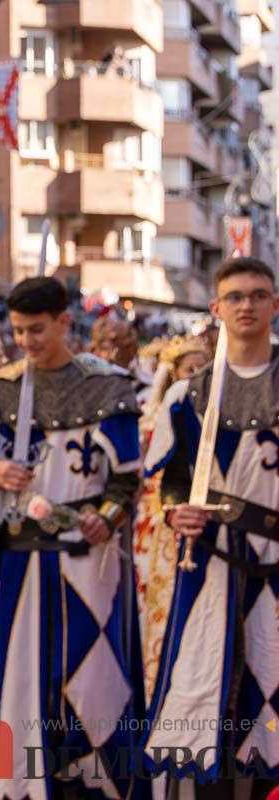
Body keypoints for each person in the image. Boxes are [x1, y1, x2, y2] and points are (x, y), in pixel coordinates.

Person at [0, 276, 144, 800]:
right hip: (26, 560)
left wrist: (107, 519)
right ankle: (29, 784)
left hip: (88, 558)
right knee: (27, 677)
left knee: (94, 676)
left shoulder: (108, 386)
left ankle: (98, 785)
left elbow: (125, 481)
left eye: (38, 329)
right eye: (20, 330)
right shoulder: (1, 389)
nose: (27, 341)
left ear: (66, 322)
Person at [142, 257, 279, 797]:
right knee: (206, 689)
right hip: (213, 567)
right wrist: (176, 510)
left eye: (258, 294)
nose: (247, 305)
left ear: (274, 304)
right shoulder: (188, 396)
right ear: (217, 308)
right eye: (236, 297)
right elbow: (171, 481)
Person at [131, 335, 209, 701]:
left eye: (202, 367)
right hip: (159, 517)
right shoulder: (152, 414)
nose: (196, 374)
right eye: (188, 369)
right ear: (173, 373)